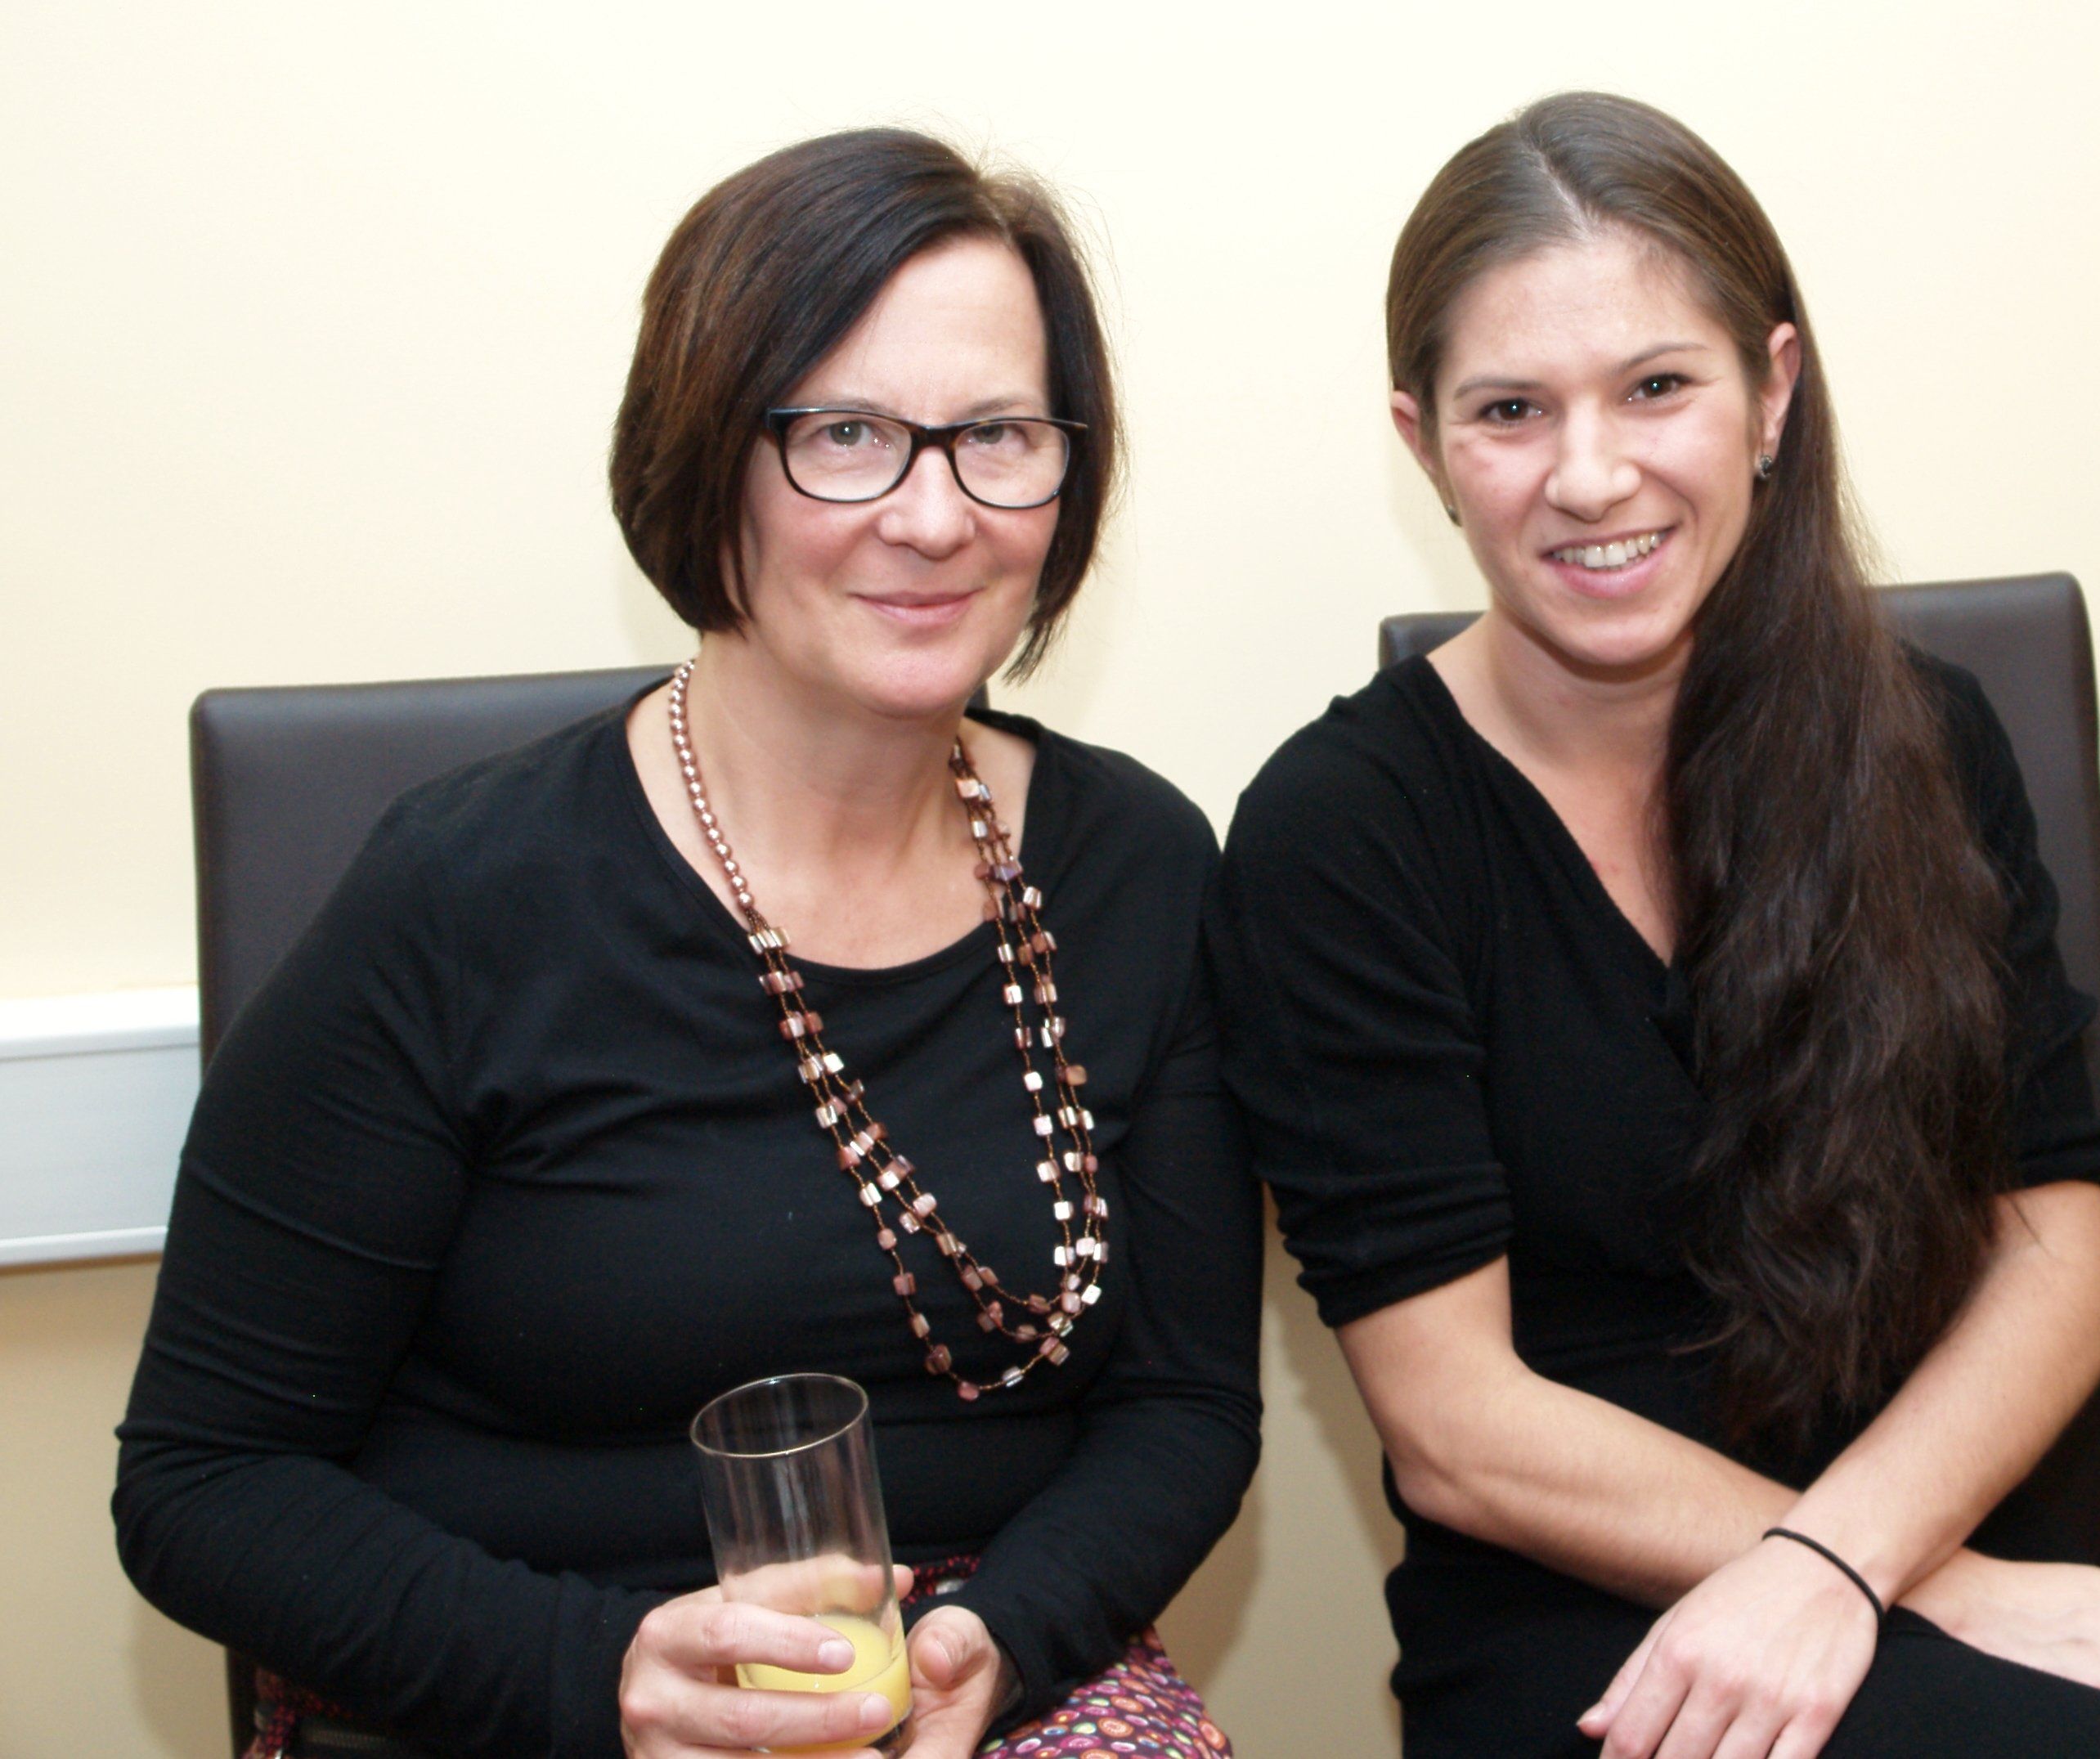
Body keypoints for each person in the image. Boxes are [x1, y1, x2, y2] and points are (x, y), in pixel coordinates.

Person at [116, 128, 1258, 1759]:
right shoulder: (462, 893)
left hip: (980, 1658)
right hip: (515, 1666)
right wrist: (604, 1678)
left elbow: (1185, 1405)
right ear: (704, 456)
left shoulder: (1136, 864)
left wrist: (994, 1641)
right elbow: (202, 1481)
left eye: (999, 436)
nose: (934, 515)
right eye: (846, 435)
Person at [1210, 92, 2100, 1759]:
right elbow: (1457, 1428)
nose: (1589, 475)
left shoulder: (1925, 736)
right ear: (1422, 443)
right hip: (1590, 1628)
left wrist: (1869, 1562)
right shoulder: (1338, 833)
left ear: (1772, 390)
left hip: (1922, 1533)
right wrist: (1916, 1588)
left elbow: (2055, 1255)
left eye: (1656, 386)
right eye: (1509, 409)